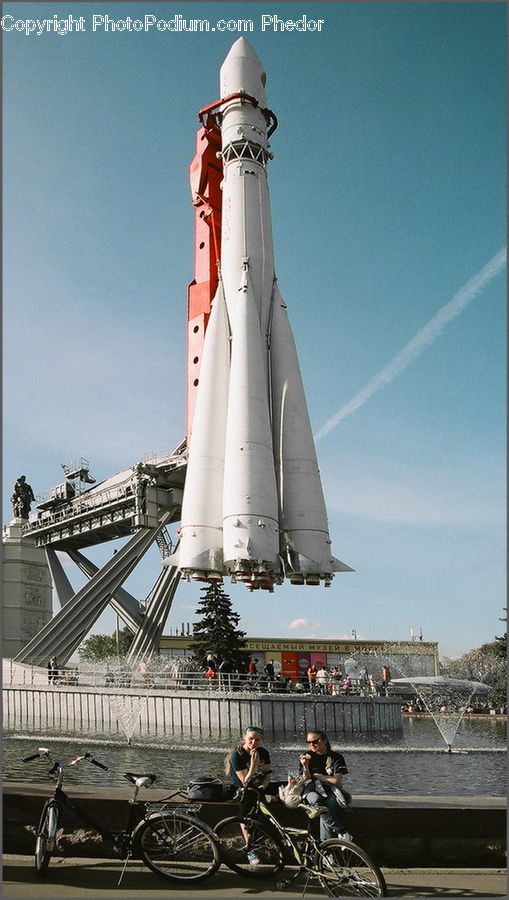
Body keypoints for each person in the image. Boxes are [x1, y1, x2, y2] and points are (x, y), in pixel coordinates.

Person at [224, 726, 272, 865]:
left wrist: (264, 786)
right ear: (244, 738)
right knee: (247, 813)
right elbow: (245, 780)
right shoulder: (237, 755)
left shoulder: (263, 752)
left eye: (257, 739)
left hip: (258, 787)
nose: (253, 742)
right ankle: (251, 849)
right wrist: (253, 765)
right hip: (242, 788)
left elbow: (268, 773)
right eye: (250, 739)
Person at [298, 730, 352, 842]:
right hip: (310, 789)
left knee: (328, 806)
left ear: (324, 741)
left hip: (330, 790)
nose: (311, 745)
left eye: (315, 741)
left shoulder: (336, 757)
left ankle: (326, 850)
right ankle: (341, 832)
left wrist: (319, 776)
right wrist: (305, 766)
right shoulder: (307, 756)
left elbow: (336, 780)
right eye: (308, 742)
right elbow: (306, 779)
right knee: (317, 801)